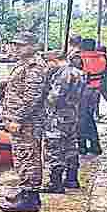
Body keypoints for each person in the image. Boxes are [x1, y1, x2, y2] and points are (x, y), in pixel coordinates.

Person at [0, 32, 50, 212]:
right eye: (15, 45)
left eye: (21, 45)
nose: (16, 48)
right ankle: (25, 190)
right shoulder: (23, 65)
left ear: (33, 46)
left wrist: (17, 119)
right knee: (22, 157)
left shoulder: (35, 67)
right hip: (19, 120)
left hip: (26, 122)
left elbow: (32, 98)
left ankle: (31, 198)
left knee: (29, 157)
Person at [42, 50, 87, 193]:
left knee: (54, 148)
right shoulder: (78, 72)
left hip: (58, 116)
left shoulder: (63, 74)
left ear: (54, 60)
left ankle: (55, 183)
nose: (47, 66)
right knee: (71, 146)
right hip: (72, 114)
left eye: (48, 63)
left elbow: (55, 97)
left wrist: (44, 104)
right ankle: (72, 179)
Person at [78, 38, 107, 155]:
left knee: (83, 118)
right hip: (96, 90)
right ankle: (92, 144)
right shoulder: (102, 57)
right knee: (88, 116)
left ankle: (85, 145)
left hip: (82, 90)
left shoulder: (79, 58)